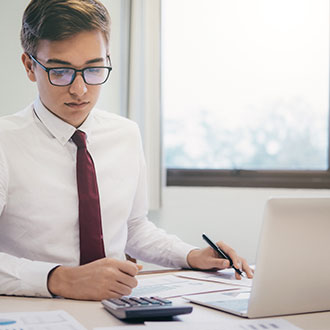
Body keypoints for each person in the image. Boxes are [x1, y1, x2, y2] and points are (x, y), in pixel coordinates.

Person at [0, 0, 253, 301]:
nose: (79, 89)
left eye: (94, 69)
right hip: (33, 309)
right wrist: (59, 279)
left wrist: (191, 255)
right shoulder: (5, 141)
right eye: (61, 71)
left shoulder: (125, 134)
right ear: (30, 66)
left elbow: (133, 228)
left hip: (116, 305)